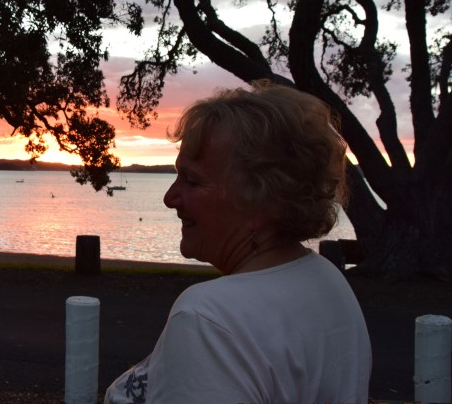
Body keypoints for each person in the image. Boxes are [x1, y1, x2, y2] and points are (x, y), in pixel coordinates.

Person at [104, 80, 371, 404]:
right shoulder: (327, 281)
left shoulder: (208, 318)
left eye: (192, 180)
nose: (169, 197)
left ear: (261, 201)